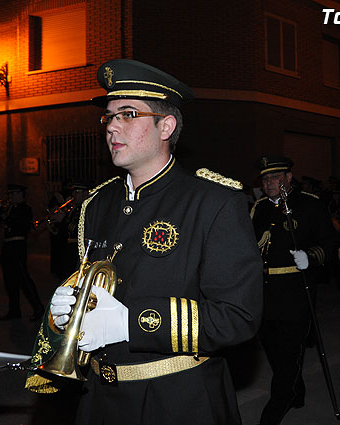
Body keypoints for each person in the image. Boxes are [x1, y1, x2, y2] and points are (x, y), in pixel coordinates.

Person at [27, 59, 263, 425]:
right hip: (100, 398)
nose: (112, 127)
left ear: (165, 126)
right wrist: (67, 310)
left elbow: (238, 316)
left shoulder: (214, 201)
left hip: (179, 399)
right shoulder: (97, 203)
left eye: (128, 114)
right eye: (109, 117)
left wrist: (130, 323)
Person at [250, 156, 338, 424]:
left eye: (275, 177)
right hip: (264, 293)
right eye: (265, 179)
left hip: (294, 293)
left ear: (289, 177)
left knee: (289, 351)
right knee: (273, 349)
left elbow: (331, 244)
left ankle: (279, 402)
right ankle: (296, 391)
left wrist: (311, 257)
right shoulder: (259, 208)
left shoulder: (310, 205)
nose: (269, 183)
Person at [0, 184, 44, 321]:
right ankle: (14, 310)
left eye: (14, 194)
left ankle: (38, 307)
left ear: (21, 194)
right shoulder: (10, 208)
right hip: (7, 245)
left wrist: (0, 212)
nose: (11, 197)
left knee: (23, 278)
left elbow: (15, 222)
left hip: (18, 245)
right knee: (9, 280)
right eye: (10, 194)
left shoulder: (25, 209)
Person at [47, 181, 90, 281]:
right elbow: (65, 231)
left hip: (78, 252)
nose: (73, 195)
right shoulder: (74, 209)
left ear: (85, 193)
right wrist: (54, 227)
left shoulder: (87, 209)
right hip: (68, 250)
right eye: (73, 192)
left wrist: (64, 219)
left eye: (77, 192)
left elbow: (79, 230)